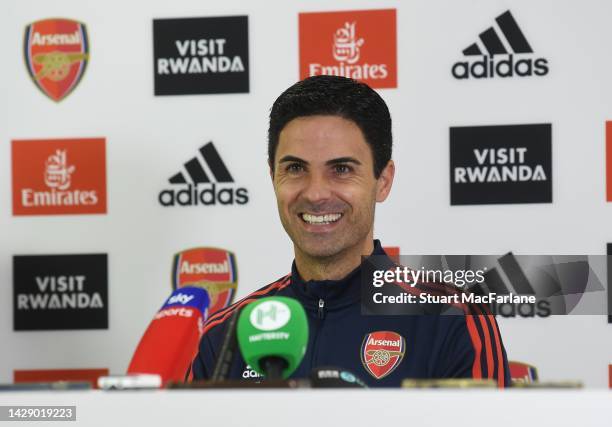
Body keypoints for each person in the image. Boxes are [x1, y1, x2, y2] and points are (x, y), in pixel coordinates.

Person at [188, 75, 510, 387]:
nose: (316, 194)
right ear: (273, 177)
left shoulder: (453, 319)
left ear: (382, 181)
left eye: (341, 169)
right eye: (296, 169)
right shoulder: (226, 335)